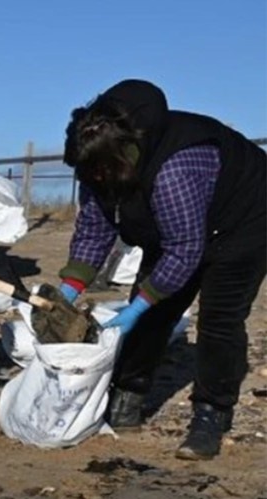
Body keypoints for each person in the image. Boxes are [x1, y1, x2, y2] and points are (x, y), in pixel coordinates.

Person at [57, 79, 266, 460]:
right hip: (174, 226)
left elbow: (185, 249)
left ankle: (211, 414)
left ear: (123, 158)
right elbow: (94, 227)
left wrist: (138, 306)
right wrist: (70, 287)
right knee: (153, 312)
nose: (94, 181)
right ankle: (127, 397)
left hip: (244, 222)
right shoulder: (97, 163)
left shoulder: (176, 169)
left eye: (99, 174)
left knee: (219, 320)